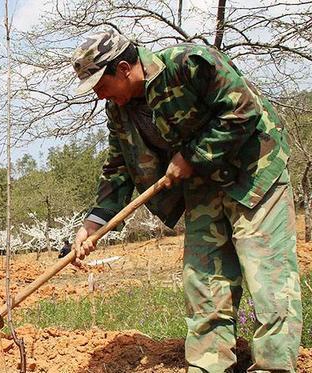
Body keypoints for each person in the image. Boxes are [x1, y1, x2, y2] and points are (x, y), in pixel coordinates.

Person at [70, 30, 301, 372]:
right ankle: (209, 366)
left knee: (269, 280)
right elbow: (119, 166)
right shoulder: (119, 113)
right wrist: (93, 222)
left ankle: (273, 367)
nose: (100, 95)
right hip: (203, 189)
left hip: (253, 174)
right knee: (204, 284)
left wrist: (193, 156)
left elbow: (241, 109)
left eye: (100, 85)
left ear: (122, 68)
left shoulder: (188, 63)